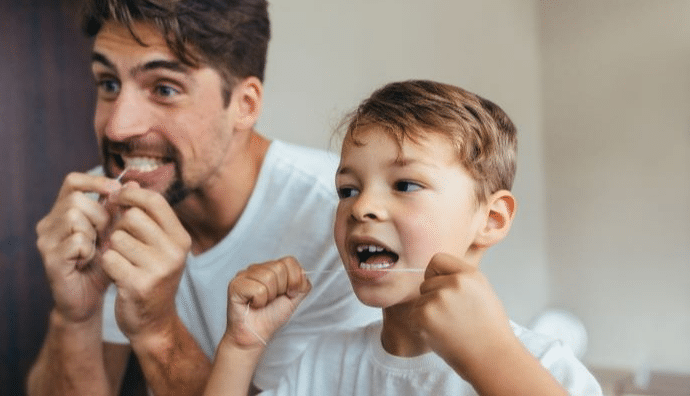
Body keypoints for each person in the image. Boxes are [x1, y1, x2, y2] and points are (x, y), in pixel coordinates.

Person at [25, 0, 380, 395]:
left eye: (164, 89)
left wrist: (157, 330)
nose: (117, 128)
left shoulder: (343, 221)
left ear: (244, 105)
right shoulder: (105, 204)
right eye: (108, 84)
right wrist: (74, 317)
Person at [203, 80, 603, 396]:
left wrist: (490, 357)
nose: (361, 207)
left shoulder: (544, 366)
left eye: (406, 185)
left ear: (491, 220)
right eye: (347, 190)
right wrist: (241, 347)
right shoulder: (324, 363)